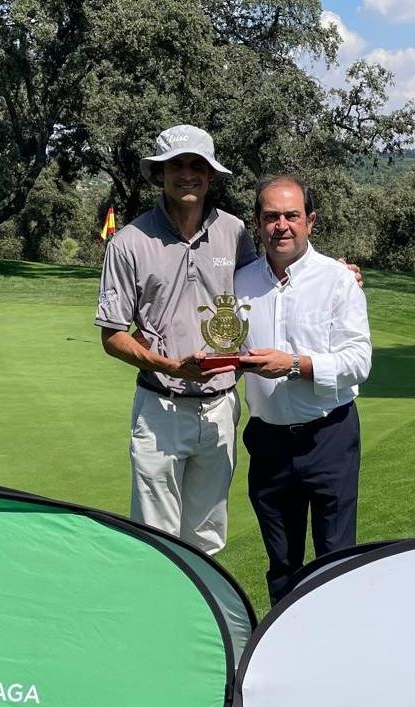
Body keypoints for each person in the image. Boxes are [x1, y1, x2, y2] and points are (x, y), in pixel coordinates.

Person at [95, 125, 256, 556]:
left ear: (210, 174)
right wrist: (167, 365)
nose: (188, 174)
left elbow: (266, 290)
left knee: (207, 539)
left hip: (220, 406)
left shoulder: (236, 232)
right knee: (156, 542)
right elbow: (112, 336)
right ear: (160, 174)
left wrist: (334, 273)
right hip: (160, 408)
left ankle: (204, 622)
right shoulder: (129, 242)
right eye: (177, 165)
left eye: (197, 165)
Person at [235, 175, 372, 601]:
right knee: (282, 567)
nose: (282, 225)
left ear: (309, 221)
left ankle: (334, 654)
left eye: (292, 215)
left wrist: (294, 364)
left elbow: (358, 362)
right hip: (269, 442)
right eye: (271, 216)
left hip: (328, 437)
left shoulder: (338, 280)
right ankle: (281, 656)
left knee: (336, 562)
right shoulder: (239, 284)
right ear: (257, 223)